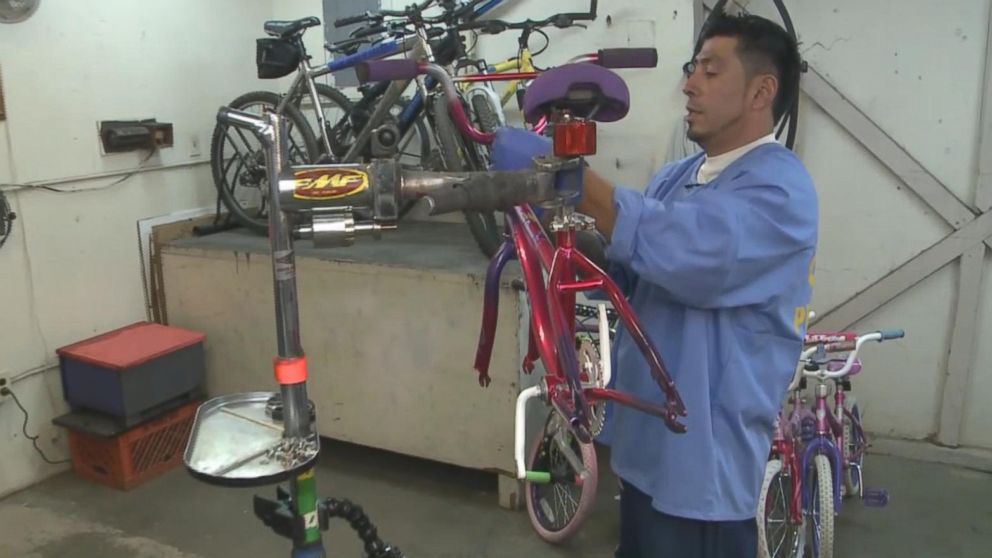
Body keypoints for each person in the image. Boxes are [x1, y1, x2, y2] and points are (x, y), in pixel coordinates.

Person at [489, 13, 817, 558]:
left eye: (710, 70)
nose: (689, 84)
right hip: (645, 452)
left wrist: (571, 182)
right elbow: (633, 272)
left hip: (702, 472)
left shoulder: (782, 194)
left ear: (762, 91)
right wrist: (557, 224)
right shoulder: (677, 177)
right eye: (692, 69)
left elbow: (692, 254)